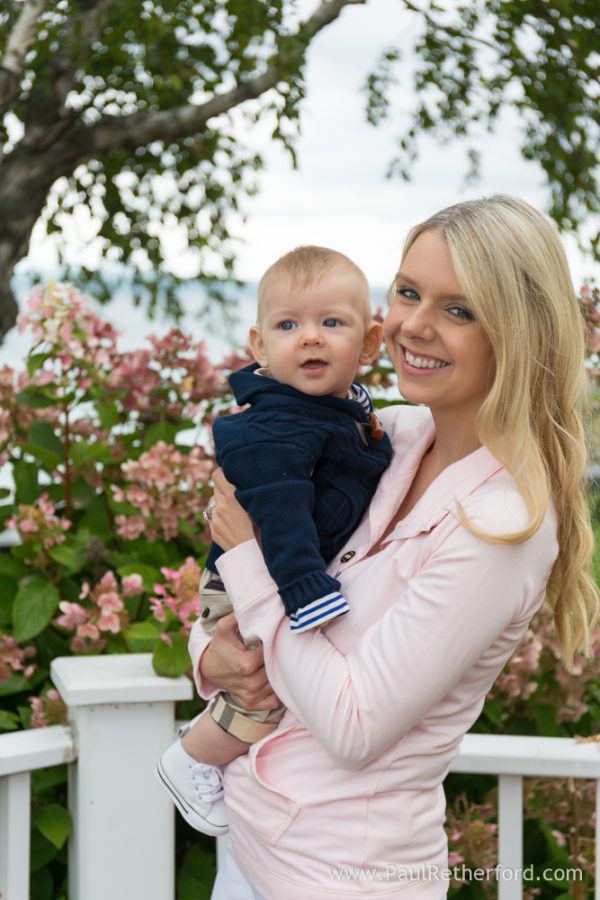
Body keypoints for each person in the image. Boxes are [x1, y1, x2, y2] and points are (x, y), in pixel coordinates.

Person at [189, 195, 600, 900]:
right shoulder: (391, 436)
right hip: (251, 842)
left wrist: (250, 560)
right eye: (408, 293)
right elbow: (243, 581)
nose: (413, 324)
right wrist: (212, 655)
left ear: (517, 335)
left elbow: (353, 724)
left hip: (344, 879)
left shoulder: (502, 527)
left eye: (459, 309)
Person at [156, 246, 393, 835]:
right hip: (258, 577)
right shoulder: (276, 427)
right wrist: (305, 589)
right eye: (289, 326)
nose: (310, 339)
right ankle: (189, 758)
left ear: (368, 345)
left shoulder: (344, 411)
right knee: (263, 694)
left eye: (331, 323)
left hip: (271, 573)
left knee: (269, 684)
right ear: (260, 347)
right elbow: (284, 514)